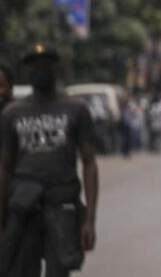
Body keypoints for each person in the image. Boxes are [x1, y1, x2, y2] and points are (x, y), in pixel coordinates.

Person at [0, 45, 98, 276]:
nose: (40, 71)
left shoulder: (76, 109)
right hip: (23, 210)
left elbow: (90, 163)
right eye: (34, 66)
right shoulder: (12, 113)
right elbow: (4, 168)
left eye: (46, 66)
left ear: (56, 69)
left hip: (62, 206)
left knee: (58, 271)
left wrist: (90, 221)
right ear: (28, 72)